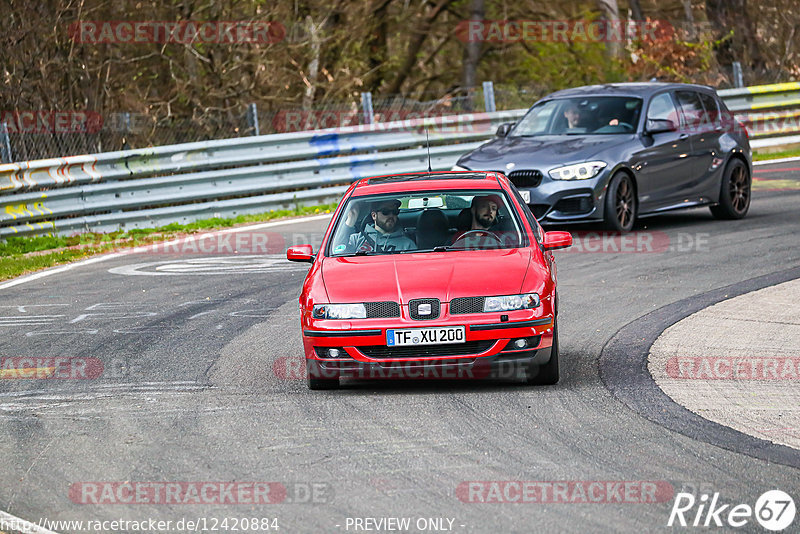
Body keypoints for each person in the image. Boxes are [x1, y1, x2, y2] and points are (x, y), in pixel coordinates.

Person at [346, 199, 416, 253]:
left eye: (395, 212)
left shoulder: (408, 245)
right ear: (374, 215)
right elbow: (339, 253)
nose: (391, 216)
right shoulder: (356, 239)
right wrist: (349, 222)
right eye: (385, 212)